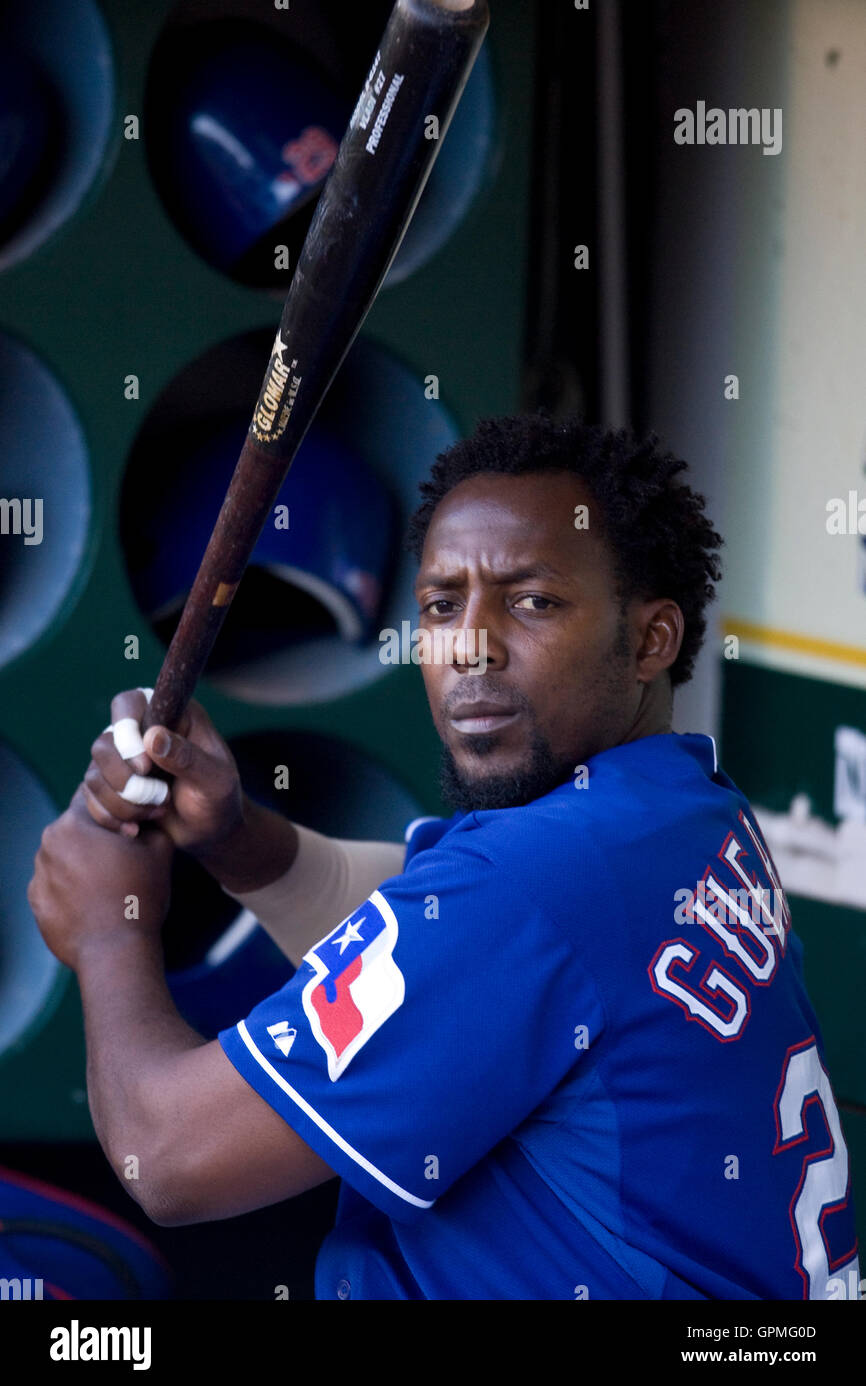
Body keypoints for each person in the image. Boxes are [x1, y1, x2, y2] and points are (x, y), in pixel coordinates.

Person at [28, 414, 860, 1300]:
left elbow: (168, 1158)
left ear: (653, 639)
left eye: (532, 601)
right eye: (441, 605)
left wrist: (108, 932)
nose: (471, 644)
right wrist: (234, 838)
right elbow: (428, 921)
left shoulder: (534, 880)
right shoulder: (684, 812)